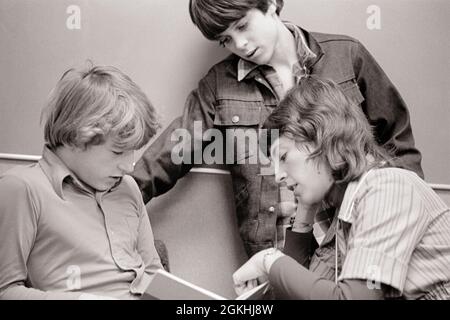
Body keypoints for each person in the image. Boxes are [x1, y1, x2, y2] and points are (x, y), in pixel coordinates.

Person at [133, 0, 423, 257]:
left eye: (243, 26)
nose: (240, 44)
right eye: (226, 40)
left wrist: (407, 224)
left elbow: (398, 143)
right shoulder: (219, 85)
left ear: (270, 3)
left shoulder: (347, 56)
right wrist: (115, 197)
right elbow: (174, 151)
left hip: (360, 240)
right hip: (280, 254)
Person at [232, 76, 450, 300]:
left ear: (323, 139)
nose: (277, 176)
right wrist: (305, 211)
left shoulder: (387, 188)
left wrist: (269, 260)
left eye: (284, 156)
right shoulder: (346, 216)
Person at [0, 65, 163, 300]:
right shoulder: (22, 188)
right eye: (118, 152)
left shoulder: (127, 187)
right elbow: (4, 291)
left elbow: (153, 273)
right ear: (75, 138)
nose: (129, 166)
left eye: (133, 152)